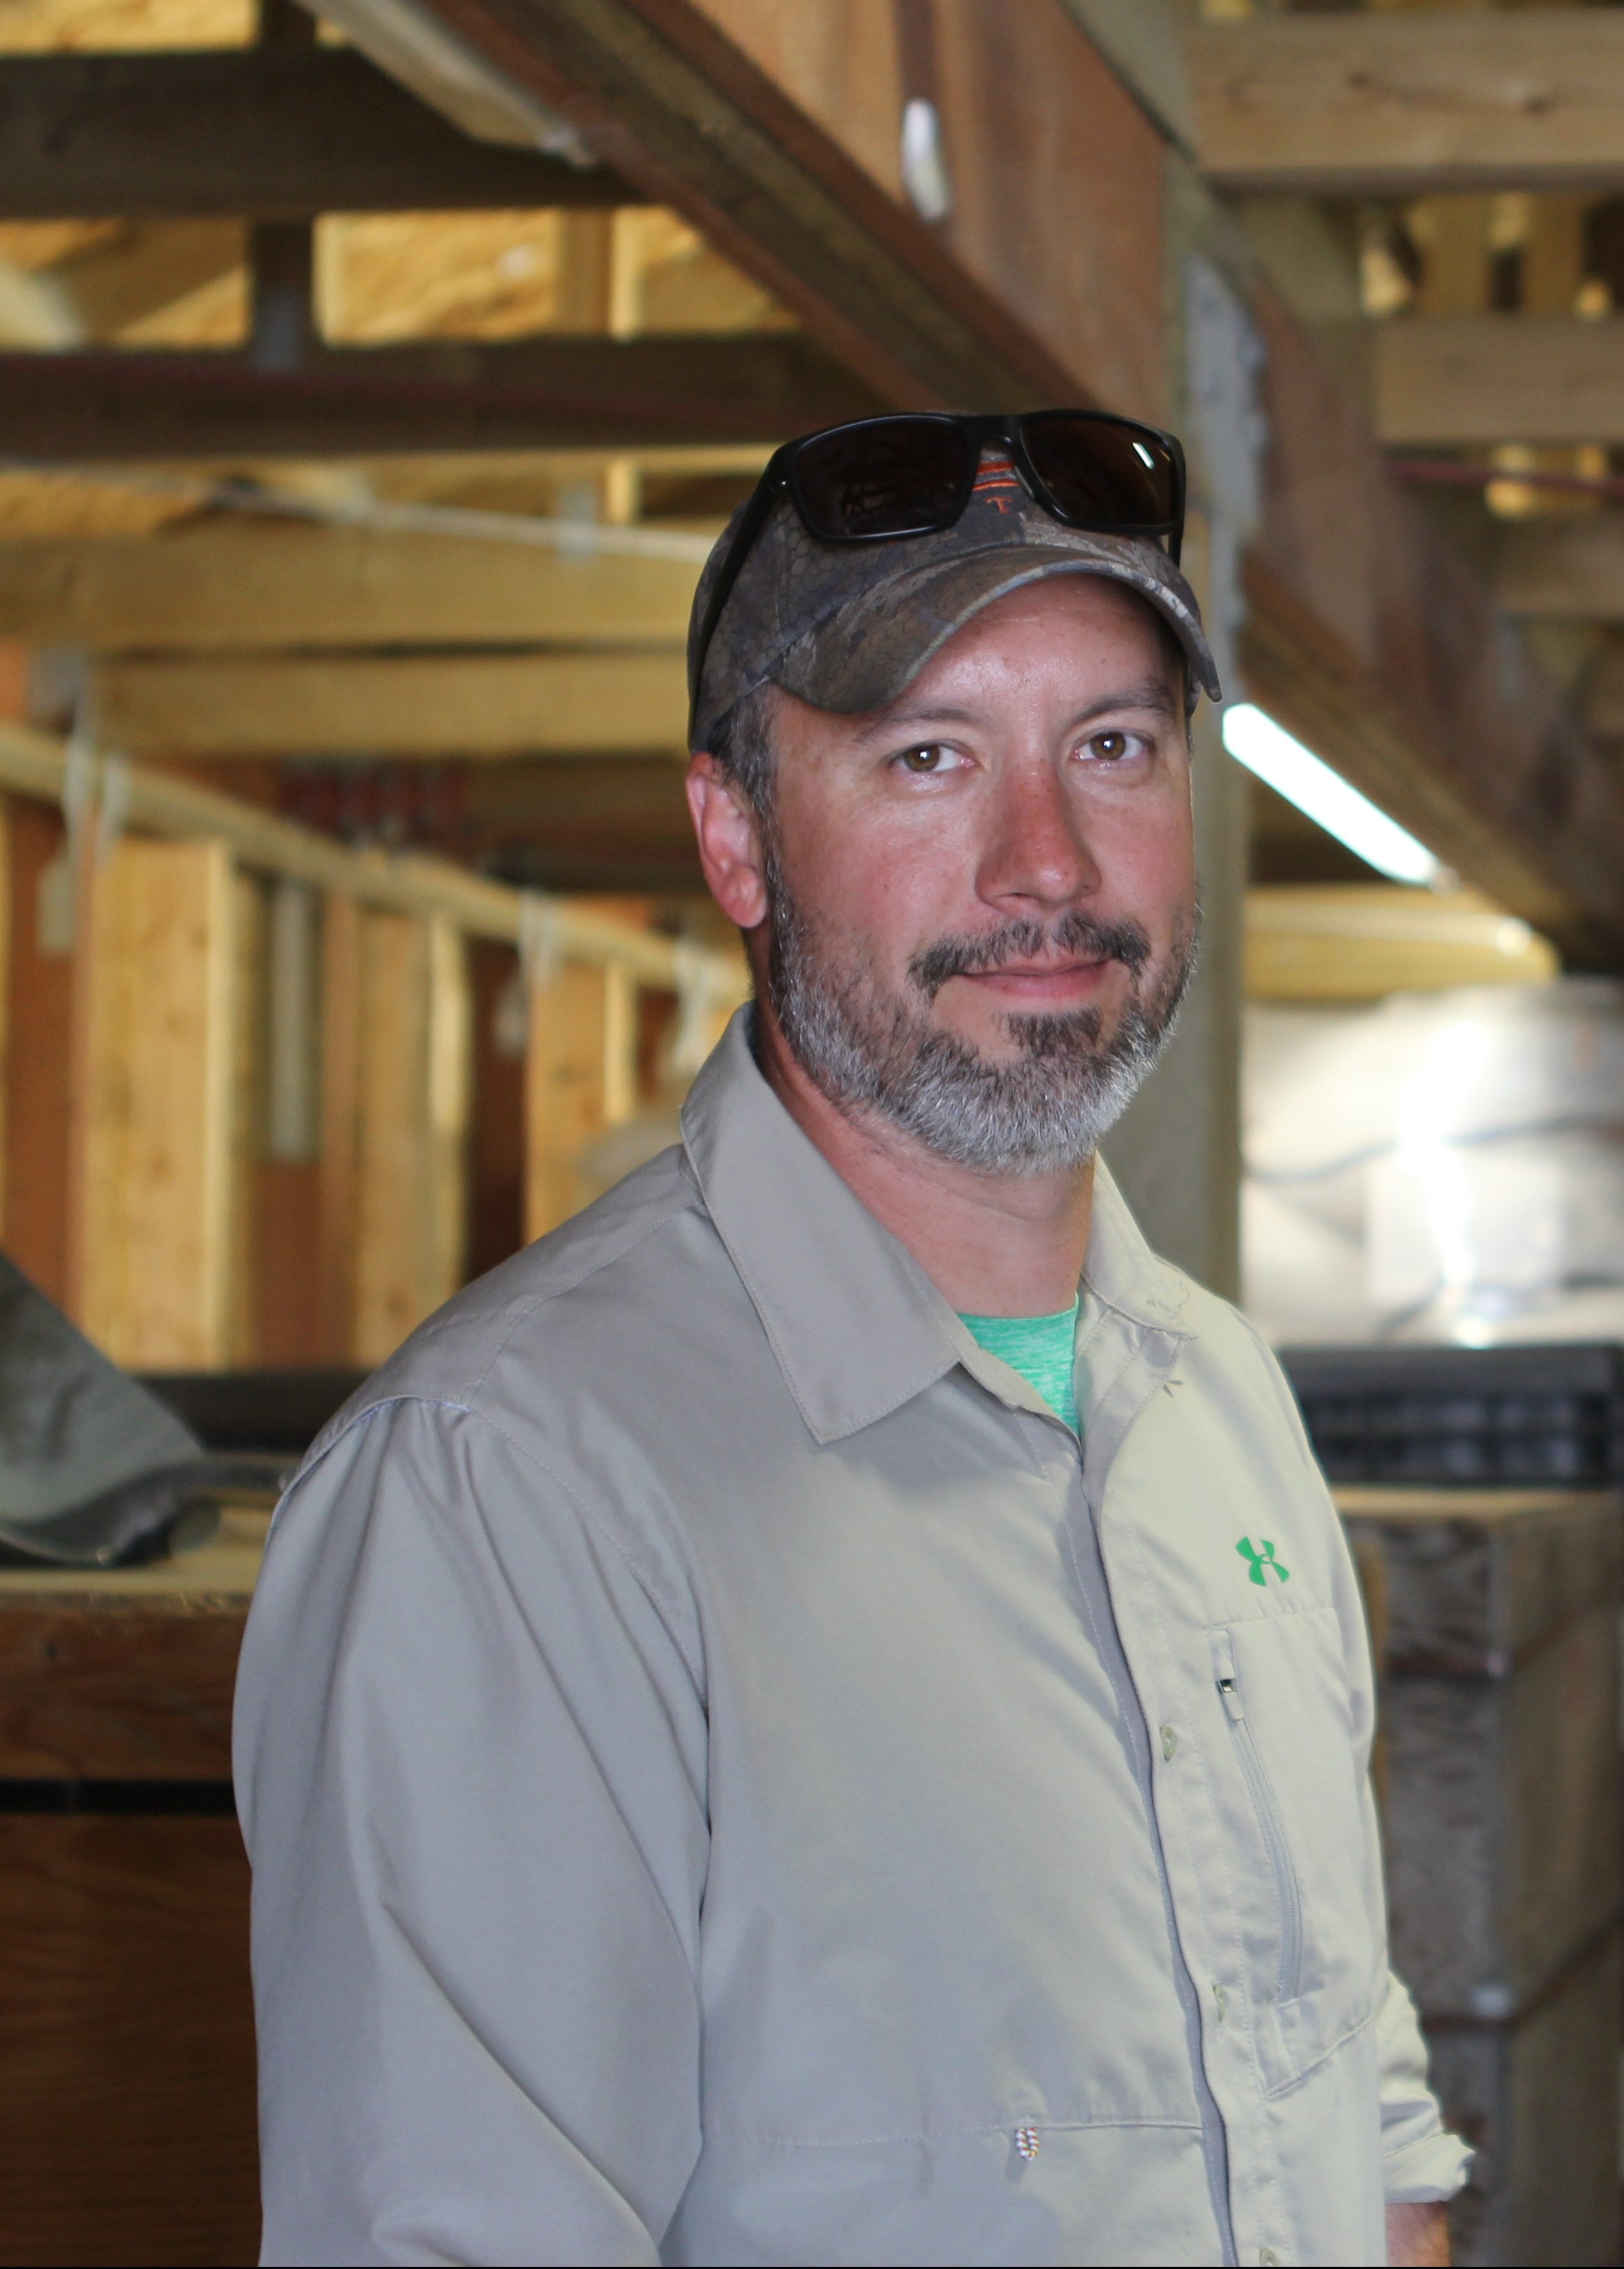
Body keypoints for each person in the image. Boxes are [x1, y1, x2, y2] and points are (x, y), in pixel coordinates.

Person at [236, 411, 1464, 2265]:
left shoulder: (1216, 1401)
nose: (1044, 862)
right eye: (928, 759)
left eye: (1111, 746)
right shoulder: (517, 1488)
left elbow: (1356, 2114)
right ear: (735, 836)